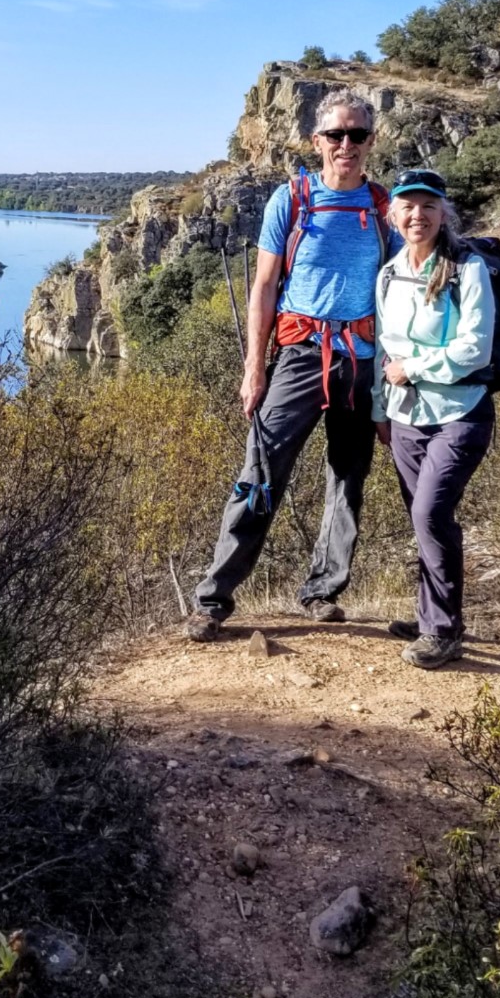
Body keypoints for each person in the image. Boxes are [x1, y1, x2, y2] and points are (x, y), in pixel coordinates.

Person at [180, 89, 398, 641]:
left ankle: (322, 591)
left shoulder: (384, 206)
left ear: (371, 140)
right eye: (335, 135)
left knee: (348, 479)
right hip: (299, 356)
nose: (345, 145)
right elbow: (263, 286)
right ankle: (213, 600)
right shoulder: (292, 199)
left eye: (357, 135)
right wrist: (255, 367)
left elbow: (401, 292)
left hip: (363, 358)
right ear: (316, 141)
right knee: (260, 473)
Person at [369, 169, 495, 670]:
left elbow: (474, 347)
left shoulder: (467, 269)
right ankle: (433, 618)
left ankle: (442, 632)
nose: (417, 215)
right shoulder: (389, 274)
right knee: (426, 521)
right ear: (392, 214)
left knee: (430, 514)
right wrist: (381, 411)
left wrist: (414, 368)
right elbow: (384, 351)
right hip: (404, 417)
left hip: (460, 411)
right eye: (407, 206)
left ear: (444, 214)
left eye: (427, 206)